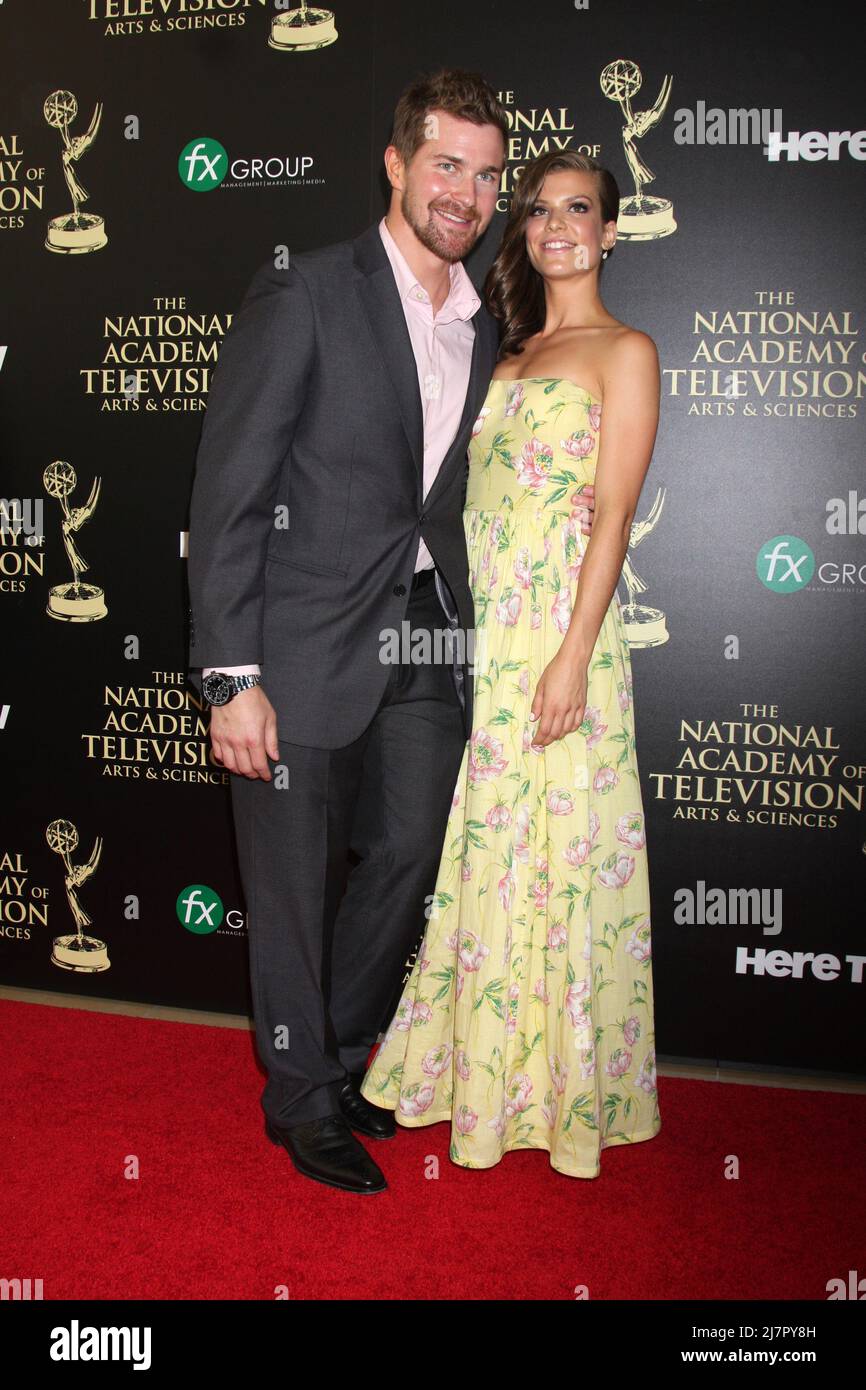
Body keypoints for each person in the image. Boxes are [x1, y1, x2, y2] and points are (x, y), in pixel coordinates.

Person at [186, 70, 597, 1196]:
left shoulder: (488, 328)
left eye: (483, 172)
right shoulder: (308, 292)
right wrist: (232, 676)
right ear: (397, 164)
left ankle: (338, 1050)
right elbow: (230, 492)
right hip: (300, 639)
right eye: (445, 164)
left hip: (426, 635)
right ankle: (300, 1098)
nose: (463, 191)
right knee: (287, 883)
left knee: (413, 851)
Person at [361, 149, 662, 1179]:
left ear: (610, 230)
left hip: (558, 637)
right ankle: (481, 1075)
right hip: (480, 634)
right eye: (536, 210)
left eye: (577, 209)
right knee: (486, 854)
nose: (554, 226)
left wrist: (571, 658)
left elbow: (612, 515)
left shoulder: (626, 352)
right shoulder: (502, 348)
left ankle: (559, 1094)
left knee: (560, 855)